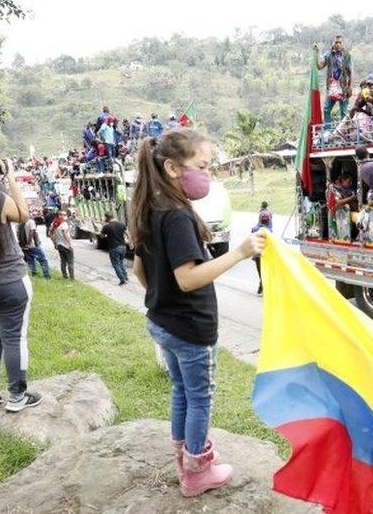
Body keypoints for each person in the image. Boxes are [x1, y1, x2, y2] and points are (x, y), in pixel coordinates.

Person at [129, 130, 265, 497]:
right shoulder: (176, 216)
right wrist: (238, 253)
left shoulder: (149, 205)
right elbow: (187, 279)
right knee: (200, 397)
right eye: (202, 167)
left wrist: (163, 300)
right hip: (190, 331)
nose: (207, 175)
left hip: (163, 324)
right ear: (172, 168)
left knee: (182, 392)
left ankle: (184, 458)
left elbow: (140, 271)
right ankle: (196, 471)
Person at [0, 161, 43, 411]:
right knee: (14, 337)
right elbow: (23, 213)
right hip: (11, 280)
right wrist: (10, 176)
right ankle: (18, 396)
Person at [315, 36, 354, 126]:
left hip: (343, 87)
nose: (338, 44)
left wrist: (350, 87)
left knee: (344, 110)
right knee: (326, 108)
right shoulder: (328, 55)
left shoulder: (347, 55)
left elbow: (351, 72)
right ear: (333, 43)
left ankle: (344, 132)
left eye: (340, 42)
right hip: (332, 87)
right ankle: (328, 130)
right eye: (336, 42)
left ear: (343, 44)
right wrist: (317, 53)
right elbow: (319, 66)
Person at [100, 212, 129, 285]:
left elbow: (102, 236)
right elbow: (128, 234)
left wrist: (103, 226)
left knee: (116, 264)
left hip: (114, 248)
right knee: (121, 262)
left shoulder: (107, 227)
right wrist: (131, 243)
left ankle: (122, 279)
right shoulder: (121, 224)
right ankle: (125, 276)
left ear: (107, 218)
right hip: (123, 247)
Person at [49, 210, 75, 280]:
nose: (64, 216)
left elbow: (50, 233)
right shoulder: (64, 224)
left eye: (65, 215)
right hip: (66, 246)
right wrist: (70, 245)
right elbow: (65, 234)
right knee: (70, 262)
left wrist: (55, 243)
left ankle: (65, 276)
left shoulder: (54, 223)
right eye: (63, 215)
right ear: (59, 215)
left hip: (59, 245)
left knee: (63, 262)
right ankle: (72, 278)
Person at [252, 211, 272, 295]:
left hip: (257, 255)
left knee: (260, 272)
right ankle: (261, 288)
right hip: (265, 255)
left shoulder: (254, 229)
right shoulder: (269, 231)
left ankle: (261, 288)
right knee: (265, 272)